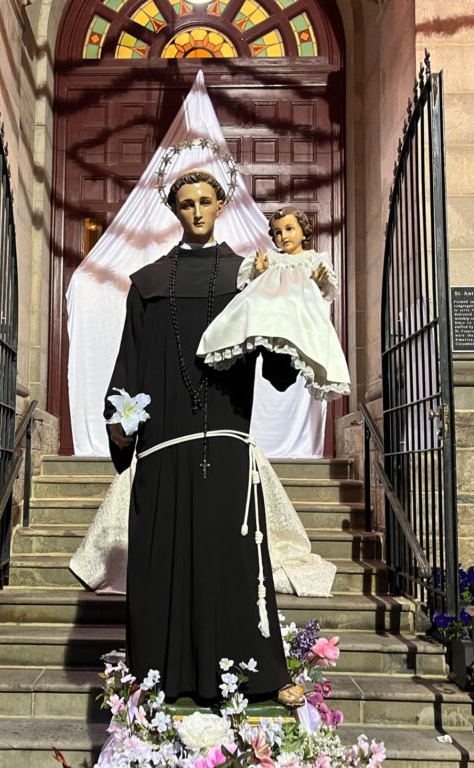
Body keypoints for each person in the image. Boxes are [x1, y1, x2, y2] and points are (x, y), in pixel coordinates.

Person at [105, 168, 303, 705]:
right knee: (163, 562)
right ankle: (160, 677)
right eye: (185, 203)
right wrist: (119, 425)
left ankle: (257, 675)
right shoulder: (148, 283)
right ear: (175, 212)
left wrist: (297, 324)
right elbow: (129, 364)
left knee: (232, 563)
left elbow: (277, 367)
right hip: (166, 445)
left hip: (226, 443)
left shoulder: (249, 277)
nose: (195, 211)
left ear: (220, 206)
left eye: (204, 201)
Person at [197, 206, 351, 401]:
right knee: (252, 313)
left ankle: (289, 360)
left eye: (289, 229)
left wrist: (321, 281)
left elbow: (328, 289)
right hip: (270, 321)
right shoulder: (272, 258)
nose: (283, 236)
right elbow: (250, 286)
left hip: (299, 321)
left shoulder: (314, 259)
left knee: (295, 357)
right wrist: (260, 272)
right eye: (278, 232)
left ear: (304, 232)